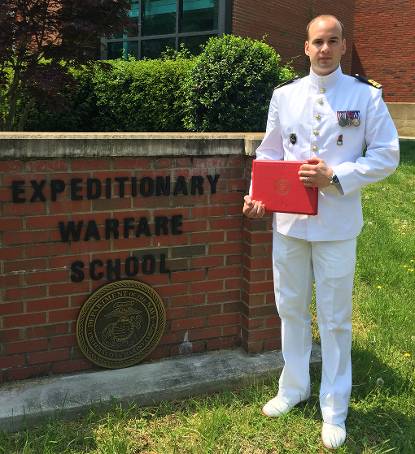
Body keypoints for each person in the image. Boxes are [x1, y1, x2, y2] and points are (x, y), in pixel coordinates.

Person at [243, 14, 399, 450]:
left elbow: (387, 154)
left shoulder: (365, 96)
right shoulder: (285, 95)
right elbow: (270, 152)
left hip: (336, 225)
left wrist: (336, 176)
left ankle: (334, 406)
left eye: (333, 41)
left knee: (334, 319)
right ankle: (294, 387)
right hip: (290, 222)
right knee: (290, 307)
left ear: (344, 46)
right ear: (306, 47)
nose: (325, 49)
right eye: (318, 41)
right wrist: (257, 196)